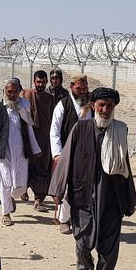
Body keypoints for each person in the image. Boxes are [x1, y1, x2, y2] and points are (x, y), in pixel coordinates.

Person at [49, 87, 136, 270]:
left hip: (112, 199)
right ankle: (82, 265)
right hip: (83, 195)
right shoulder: (81, 128)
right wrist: (58, 191)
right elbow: (66, 159)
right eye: (101, 105)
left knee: (109, 249)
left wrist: (129, 199)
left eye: (109, 106)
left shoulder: (120, 130)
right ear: (93, 106)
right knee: (82, 241)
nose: (105, 110)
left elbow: (124, 164)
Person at [0, 79, 41, 226]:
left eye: (15, 92)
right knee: (4, 182)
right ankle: (6, 212)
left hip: (21, 152)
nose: (12, 95)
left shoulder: (24, 107)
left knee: (20, 185)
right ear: (4, 92)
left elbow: (29, 128)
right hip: (4, 152)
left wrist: (35, 148)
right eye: (9, 92)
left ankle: (12, 198)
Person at [50, 73, 91, 234]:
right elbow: (55, 131)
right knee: (67, 188)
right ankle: (64, 220)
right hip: (67, 154)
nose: (82, 91)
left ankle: (81, 220)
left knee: (86, 187)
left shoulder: (91, 105)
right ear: (72, 87)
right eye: (79, 88)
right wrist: (57, 154)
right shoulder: (63, 105)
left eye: (85, 88)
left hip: (88, 154)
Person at [23, 70, 55, 212]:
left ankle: (38, 199)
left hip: (44, 139)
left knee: (42, 169)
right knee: (26, 166)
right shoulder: (26, 95)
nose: (41, 85)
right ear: (34, 81)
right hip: (29, 138)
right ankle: (23, 189)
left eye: (43, 82)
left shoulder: (50, 98)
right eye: (38, 82)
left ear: (47, 82)